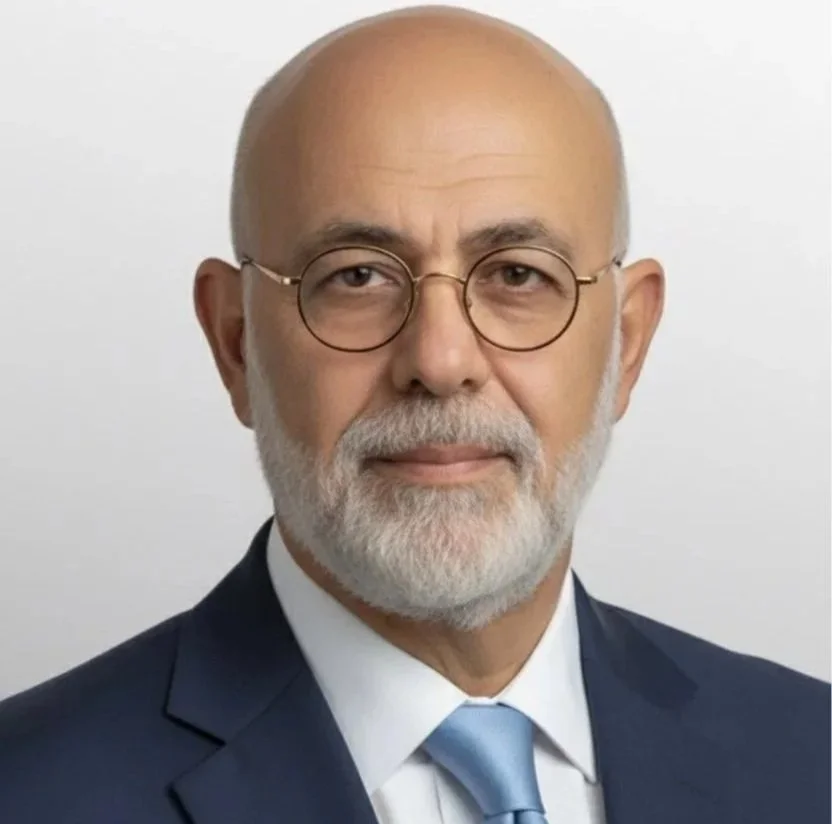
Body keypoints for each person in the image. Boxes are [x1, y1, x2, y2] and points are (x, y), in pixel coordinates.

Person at [0, 6, 827, 823]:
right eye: (357, 276)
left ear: (629, 343)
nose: (439, 362)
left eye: (517, 275)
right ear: (237, 343)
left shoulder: (808, 760)